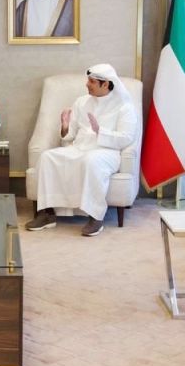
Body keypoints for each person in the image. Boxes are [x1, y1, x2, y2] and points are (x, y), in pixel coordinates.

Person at [25, 63, 139, 237]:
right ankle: (46, 213)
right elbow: (70, 135)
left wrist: (100, 132)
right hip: (79, 148)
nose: (87, 84)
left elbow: (126, 137)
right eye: (88, 80)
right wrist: (65, 126)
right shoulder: (81, 102)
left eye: (92, 82)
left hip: (107, 151)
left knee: (92, 161)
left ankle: (95, 216)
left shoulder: (124, 107)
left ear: (105, 84)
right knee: (47, 157)